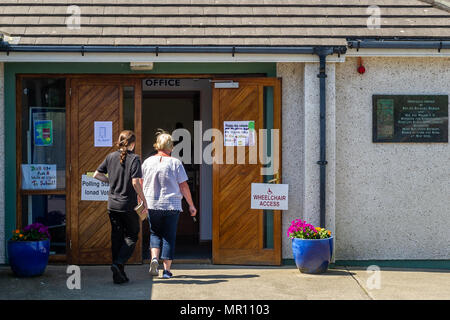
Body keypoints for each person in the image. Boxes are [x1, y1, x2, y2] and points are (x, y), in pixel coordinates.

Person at [93, 130, 147, 284]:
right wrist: (144, 200)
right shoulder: (135, 158)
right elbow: (136, 183)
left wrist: (110, 182)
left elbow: (96, 174)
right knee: (132, 235)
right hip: (127, 205)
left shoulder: (110, 157)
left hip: (112, 205)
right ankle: (118, 263)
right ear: (133, 143)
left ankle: (118, 275)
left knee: (116, 237)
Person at [142, 130, 197, 279]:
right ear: (171, 147)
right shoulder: (175, 163)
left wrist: (141, 201)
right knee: (168, 237)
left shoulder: (147, 162)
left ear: (157, 145)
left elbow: (140, 183)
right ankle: (166, 271)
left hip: (152, 204)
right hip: (172, 205)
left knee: (155, 233)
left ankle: (154, 259)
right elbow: (184, 186)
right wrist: (191, 205)